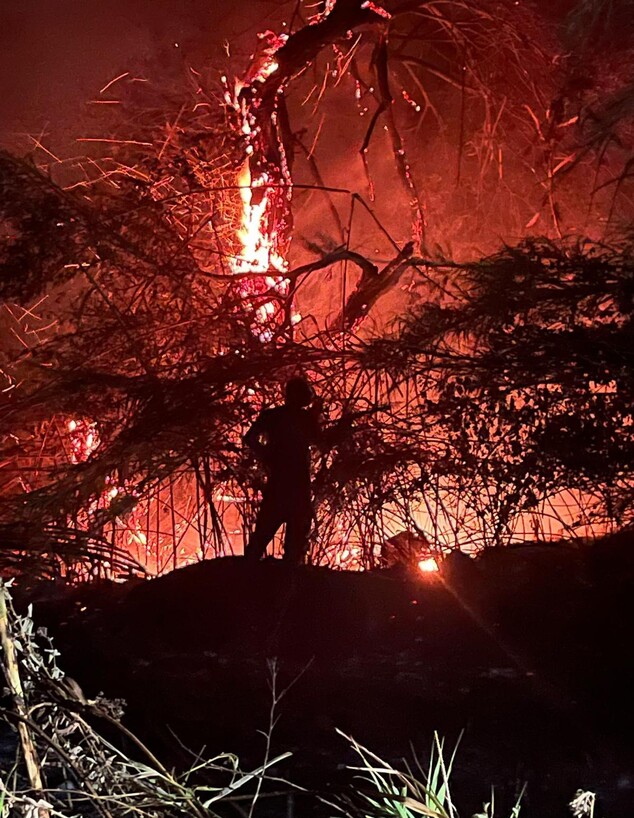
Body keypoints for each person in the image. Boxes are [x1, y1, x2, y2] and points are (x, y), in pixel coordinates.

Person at [243, 377, 322, 565]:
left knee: (264, 534)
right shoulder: (303, 419)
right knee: (291, 540)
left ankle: (248, 573)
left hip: (281, 482)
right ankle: (283, 577)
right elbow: (322, 441)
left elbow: (250, 438)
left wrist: (266, 455)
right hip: (294, 485)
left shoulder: (274, 416)